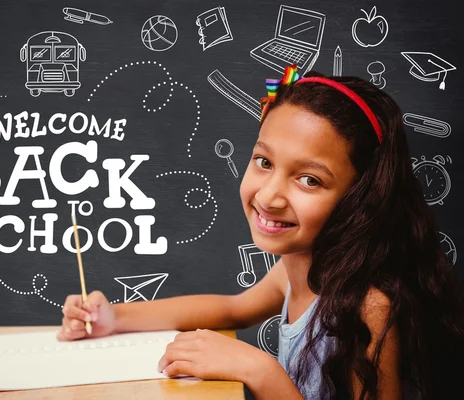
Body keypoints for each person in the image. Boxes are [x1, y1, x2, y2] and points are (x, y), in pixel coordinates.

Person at [57, 64, 464, 399]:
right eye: (264, 162)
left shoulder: (370, 306)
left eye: (309, 180)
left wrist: (261, 371)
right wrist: (113, 317)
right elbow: (233, 308)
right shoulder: (299, 267)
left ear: (361, 196)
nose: (269, 196)